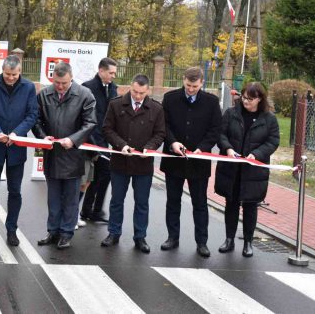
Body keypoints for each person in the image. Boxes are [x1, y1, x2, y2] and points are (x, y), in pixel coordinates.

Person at [159, 67, 222, 258]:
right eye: (188, 85)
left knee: (200, 203)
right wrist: (172, 142)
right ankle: (172, 237)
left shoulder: (211, 102)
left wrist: (202, 148)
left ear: (202, 83)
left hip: (198, 162)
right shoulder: (170, 98)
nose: (191, 89)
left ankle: (202, 242)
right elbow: (164, 125)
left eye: (195, 86)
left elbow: (215, 129)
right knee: (173, 201)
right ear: (183, 79)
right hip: (174, 159)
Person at [33, 62, 96, 249]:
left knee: (70, 198)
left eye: (64, 83)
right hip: (52, 153)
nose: (60, 86)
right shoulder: (44, 94)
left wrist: (73, 139)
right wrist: (43, 137)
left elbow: (90, 122)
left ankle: (66, 233)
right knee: (53, 197)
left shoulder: (84, 95)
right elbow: (35, 120)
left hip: (73, 155)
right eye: (57, 82)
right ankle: (52, 231)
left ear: (71, 78)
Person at [101, 74, 165, 253]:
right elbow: (107, 129)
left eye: (141, 93)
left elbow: (160, 133)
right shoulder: (115, 104)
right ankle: (113, 233)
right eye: (135, 92)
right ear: (130, 87)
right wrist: (121, 145)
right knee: (116, 200)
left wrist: (150, 147)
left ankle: (140, 237)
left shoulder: (156, 108)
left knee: (142, 202)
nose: (137, 96)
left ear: (148, 90)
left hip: (143, 164)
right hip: (120, 161)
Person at [215, 82, 279, 258]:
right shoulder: (231, 113)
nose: (245, 102)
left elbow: (273, 141)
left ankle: (248, 242)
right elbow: (221, 134)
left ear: (259, 99)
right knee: (231, 204)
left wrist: (256, 154)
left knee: (250, 206)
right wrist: (227, 148)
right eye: (243, 97)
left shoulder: (269, 118)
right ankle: (229, 239)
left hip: (253, 171)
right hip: (232, 168)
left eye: (250, 99)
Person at [0, 55, 38, 246]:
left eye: (14, 74)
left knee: (15, 190)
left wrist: (16, 133)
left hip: (16, 146)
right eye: (7, 74)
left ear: (20, 71)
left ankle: (12, 229)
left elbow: (32, 115)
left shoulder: (29, 87)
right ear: (2, 70)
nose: (11, 78)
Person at [80, 57, 118, 224]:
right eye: (111, 73)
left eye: (115, 73)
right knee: (89, 177)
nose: (113, 76)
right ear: (101, 70)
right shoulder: (87, 88)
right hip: (91, 138)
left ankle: (91, 210)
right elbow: (84, 117)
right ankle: (87, 210)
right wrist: (93, 142)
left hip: (106, 138)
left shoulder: (113, 88)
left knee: (102, 174)